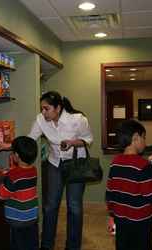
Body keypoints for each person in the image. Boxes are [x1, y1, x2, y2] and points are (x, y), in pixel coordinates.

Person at [28, 91, 93, 250]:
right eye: (42, 109)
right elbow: (30, 139)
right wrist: (12, 146)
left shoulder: (78, 119)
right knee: (50, 206)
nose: (43, 112)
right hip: (54, 163)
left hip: (76, 164)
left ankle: (72, 246)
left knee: (74, 206)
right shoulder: (40, 119)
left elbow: (88, 140)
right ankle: (47, 245)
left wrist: (72, 142)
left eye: (46, 109)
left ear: (58, 108)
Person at [106, 119, 152, 250]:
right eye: (144, 138)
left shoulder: (115, 163)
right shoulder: (143, 165)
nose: (145, 142)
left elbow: (110, 194)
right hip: (141, 224)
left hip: (121, 222)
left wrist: (112, 216)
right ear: (135, 138)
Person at [0, 136, 39, 250]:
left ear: (16, 156)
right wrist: (3, 176)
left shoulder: (13, 176)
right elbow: (19, 183)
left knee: (18, 245)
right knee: (31, 244)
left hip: (18, 220)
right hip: (31, 217)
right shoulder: (33, 170)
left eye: (13, 152)